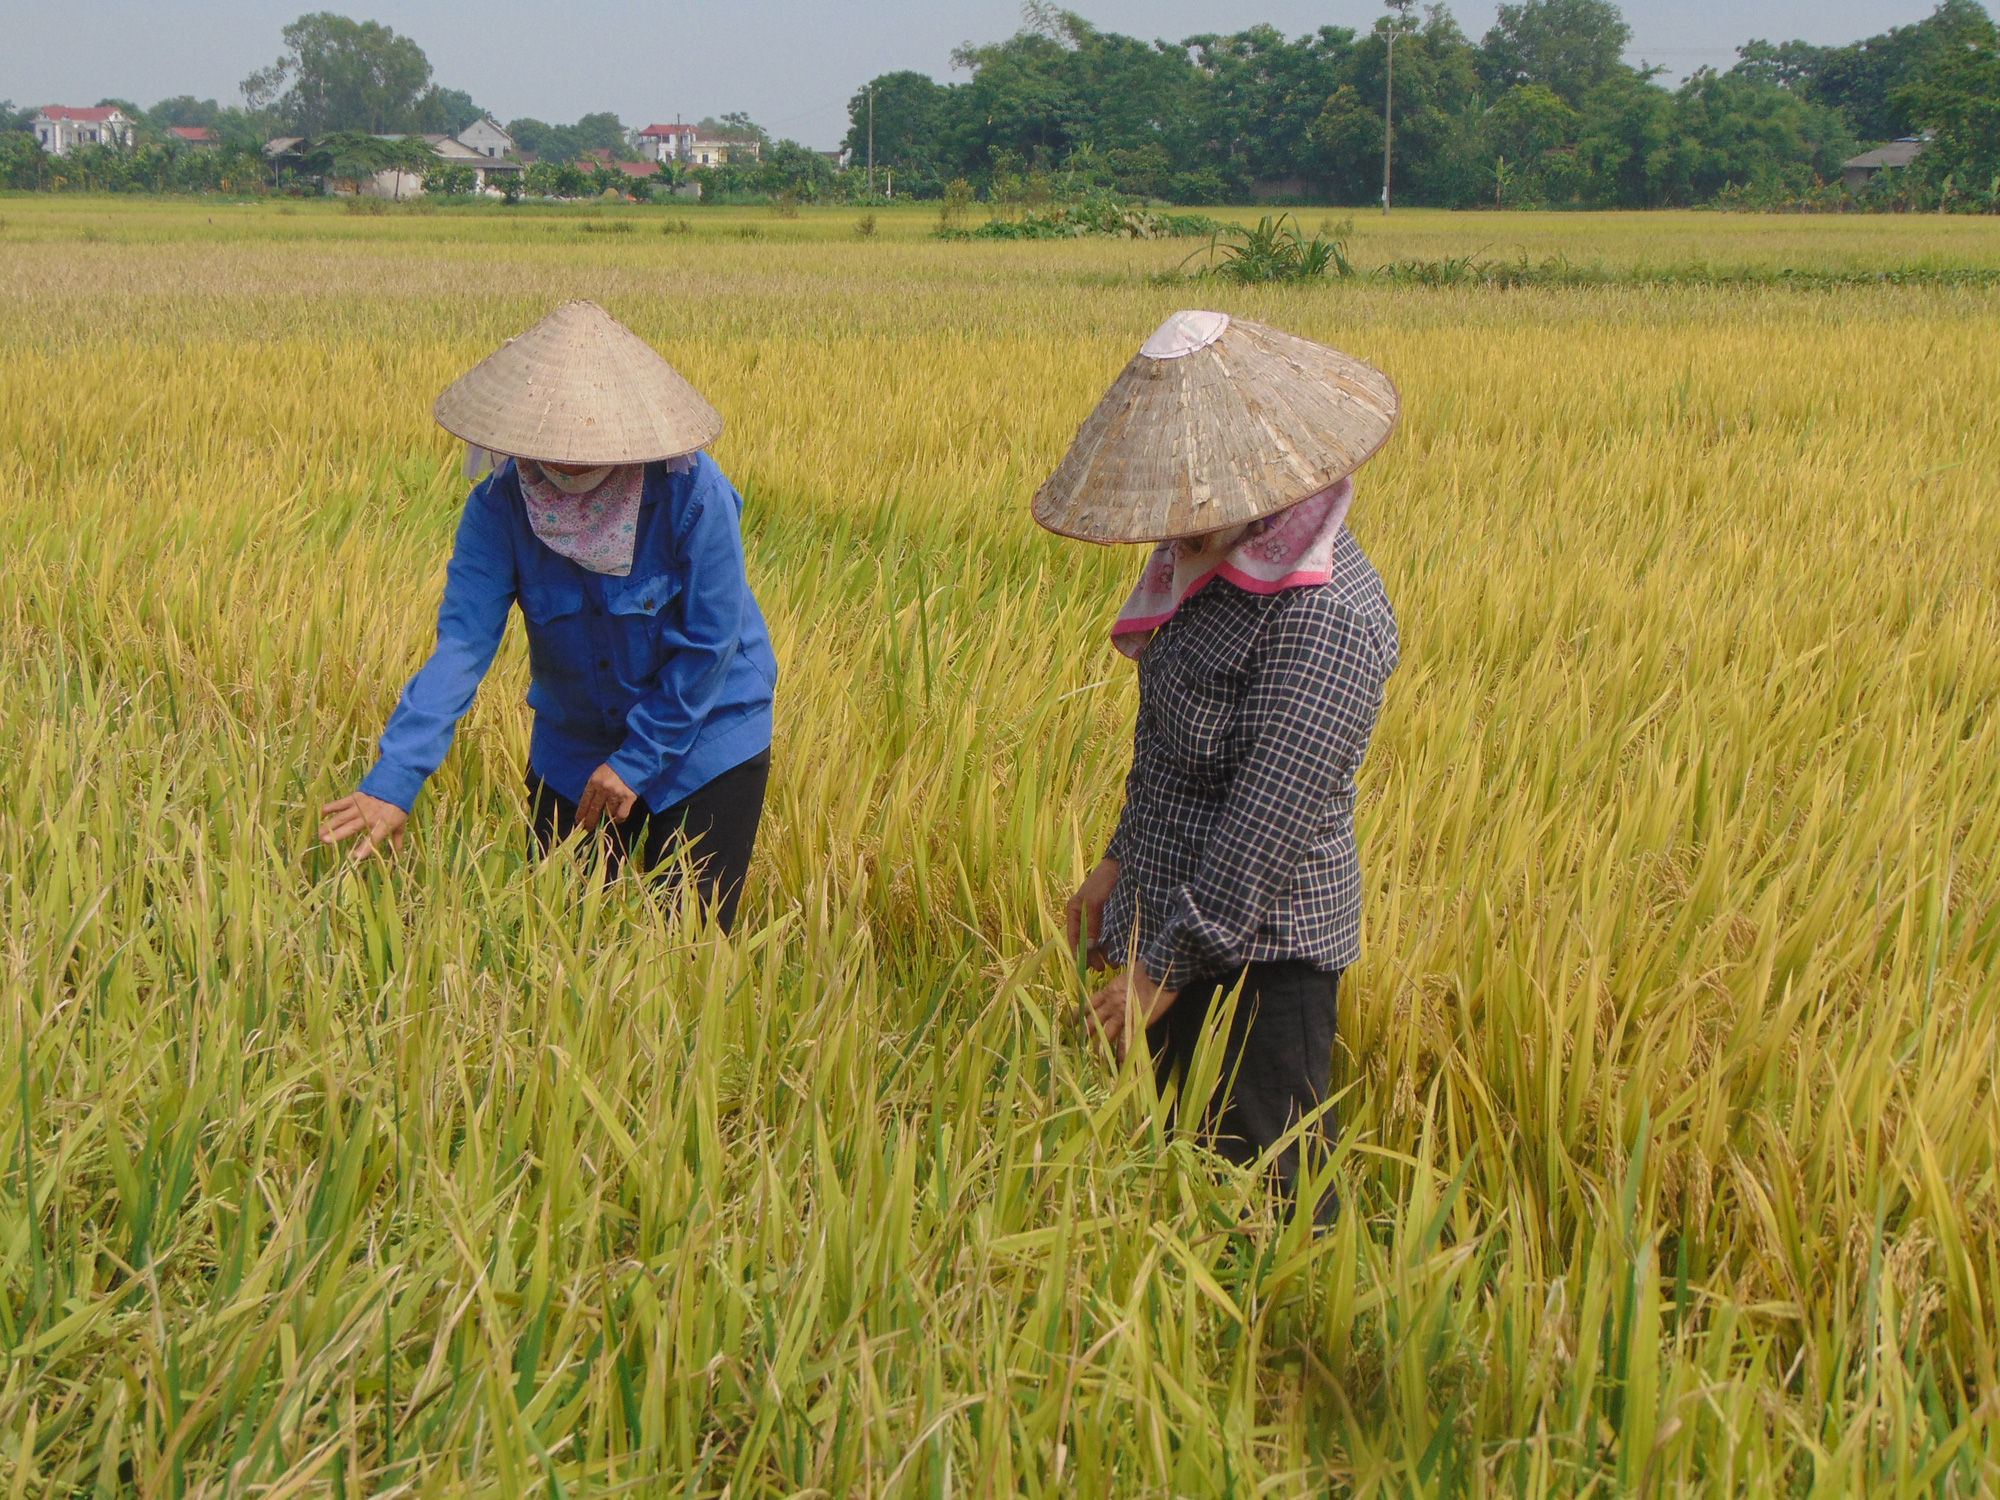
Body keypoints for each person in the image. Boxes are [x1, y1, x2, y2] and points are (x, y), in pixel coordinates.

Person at [1035, 309, 1401, 1222]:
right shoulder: (1210, 567)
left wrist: (1162, 967)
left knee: (1264, 1188)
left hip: (1264, 954)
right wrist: (1117, 867)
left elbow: (1262, 831)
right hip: (1172, 921)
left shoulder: (1322, 616)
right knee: (1171, 1172)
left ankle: (1284, 1338)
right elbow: (1165, 749)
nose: (1170, 524)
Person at [320, 300, 778, 932]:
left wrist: (636, 763)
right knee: (564, 939)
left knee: (688, 947)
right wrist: (395, 779)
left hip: (707, 736)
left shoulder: (689, 494)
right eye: (549, 444)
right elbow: (461, 647)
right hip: (577, 743)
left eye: (585, 446)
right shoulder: (499, 510)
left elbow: (711, 643)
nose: (564, 462)